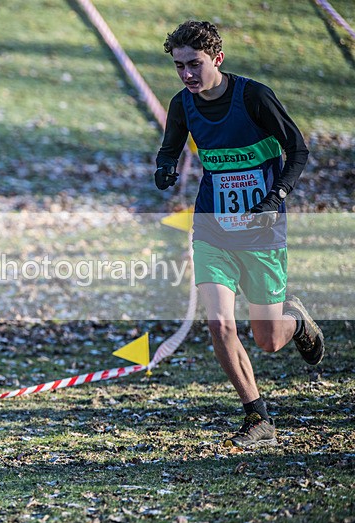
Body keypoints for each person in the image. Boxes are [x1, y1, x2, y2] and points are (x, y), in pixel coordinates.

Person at [155, 21, 324, 448]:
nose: (188, 75)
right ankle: (258, 418)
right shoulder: (183, 104)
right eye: (179, 67)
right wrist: (165, 167)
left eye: (194, 64)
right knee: (219, 323)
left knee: (267, 340)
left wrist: (276, 195)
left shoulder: (254, 96)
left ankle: (298, 321)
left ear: (217, 59)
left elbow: (298, 150)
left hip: (262, 230)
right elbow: (170, 145)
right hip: (212, 227)